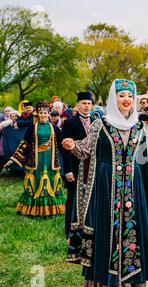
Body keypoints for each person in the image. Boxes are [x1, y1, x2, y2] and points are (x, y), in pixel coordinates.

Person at [62, 79, 148, 287]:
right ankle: (105, 286)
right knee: (106, 232)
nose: (126, 100)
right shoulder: (100, 124)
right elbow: (86, 150)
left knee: (132, 234)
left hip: (133, 189)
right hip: (105, 188)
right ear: (114, 98)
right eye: (122, 96)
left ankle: (131, 286)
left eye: (130, 96)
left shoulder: (140, 127)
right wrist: (73, 146)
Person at [4, 101, 65, 217]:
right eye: (41, 113)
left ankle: (51, 209)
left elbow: (62, 146)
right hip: (36, 160)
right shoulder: (32, 128)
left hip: (50, 160)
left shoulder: (55, 129)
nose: (43, 115)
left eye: (45, 113)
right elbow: (24, 144)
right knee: (35, 180)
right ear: (38, 114)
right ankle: (34, 209)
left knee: (50, 180)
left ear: (48, 114)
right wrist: (13, 159)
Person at [62, 92, 94, 238]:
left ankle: (88, 227)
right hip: (75, 165)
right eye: (83, 103)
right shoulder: (69, 122)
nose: (86, 106)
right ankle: (70, 229)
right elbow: (65, 148)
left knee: (90, 196)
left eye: (88, 103)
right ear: (78, 105)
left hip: (92, 166)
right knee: (73, 196)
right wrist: (68, 170)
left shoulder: (96, 121)